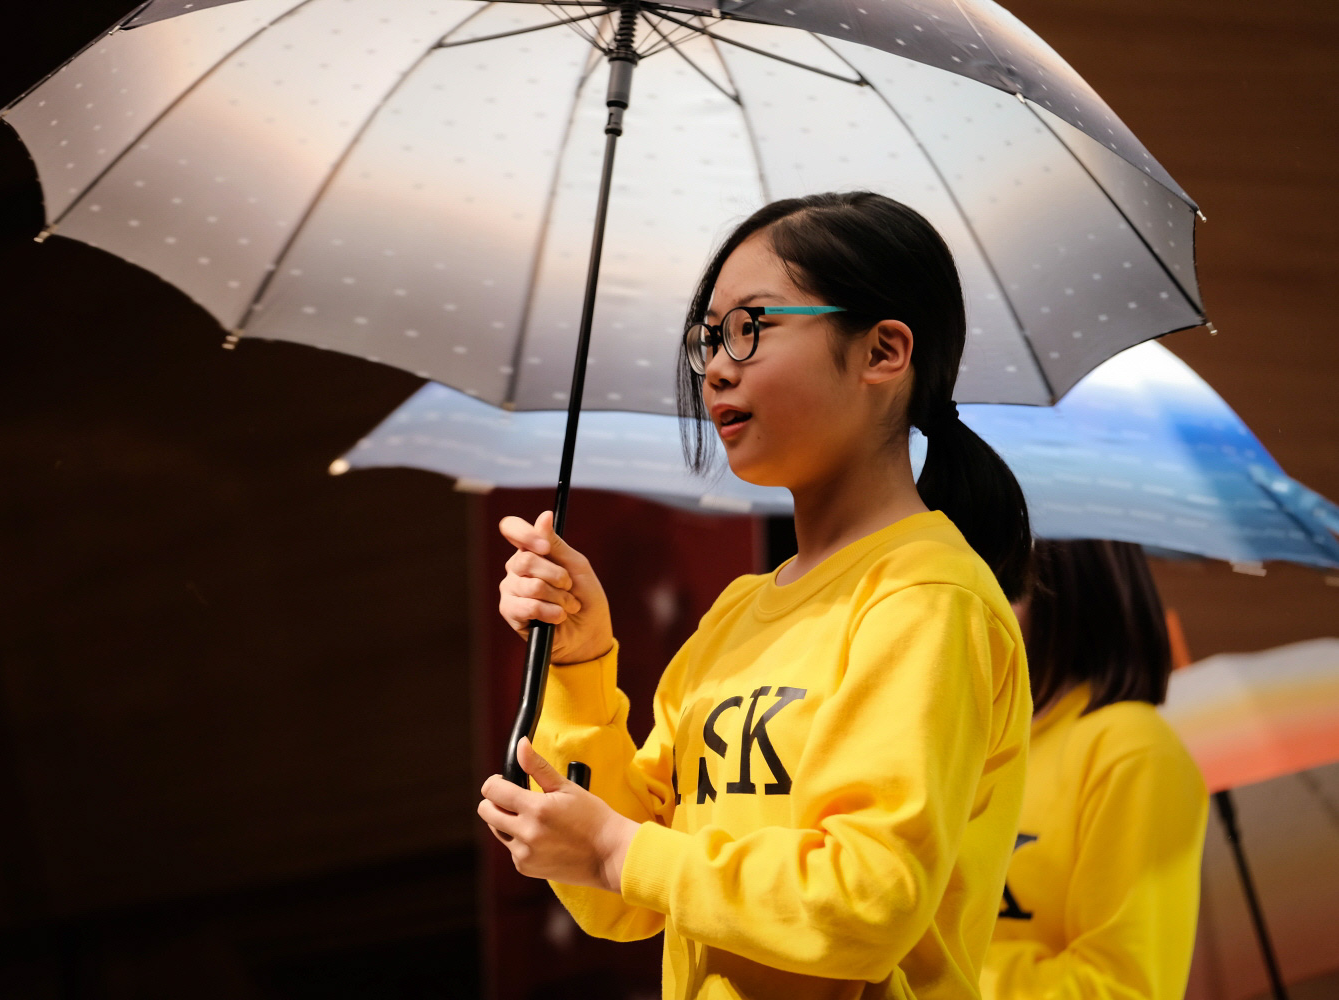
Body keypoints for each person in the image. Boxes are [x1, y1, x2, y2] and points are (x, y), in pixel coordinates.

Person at [478, 191, 1035, 999]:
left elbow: (863, 899)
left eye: (751, 327)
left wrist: (618, 852)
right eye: (708, 338)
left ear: (883, 351)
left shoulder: (927, 595)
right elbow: (623, 903)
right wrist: (579, 662)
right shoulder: (738, 611)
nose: (717, 367)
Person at [983, 539, 1208, 1000]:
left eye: (1001, 580)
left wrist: (931, 976)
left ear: (1069, 586)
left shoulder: (1134, 750)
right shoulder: (971, 740)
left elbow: (1123, 988)